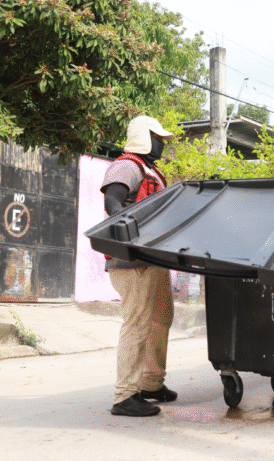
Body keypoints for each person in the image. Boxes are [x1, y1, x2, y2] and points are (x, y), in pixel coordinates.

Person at [102, 116, 176, 416]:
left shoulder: (151, 170)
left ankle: (151, 383)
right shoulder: (127, 165)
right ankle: (124, 396)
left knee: (162, 319)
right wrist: (129, 237)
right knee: (137, 324)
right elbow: (113, 202)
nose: (163, 143)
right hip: (132, 261)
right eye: (158, 137)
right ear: (144, 137)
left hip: (152, 258)